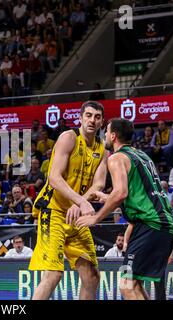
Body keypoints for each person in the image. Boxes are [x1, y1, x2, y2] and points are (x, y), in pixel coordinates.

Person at [76, 118, 173, 300]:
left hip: (150, 225)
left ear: (113, 136)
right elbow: (139, 196)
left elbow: (121, 193)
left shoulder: (116, 158)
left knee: (126, 285)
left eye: (106, 131)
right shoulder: (142, 156)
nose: (104, 134)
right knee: (134, 284)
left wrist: (95, 218)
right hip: (164, 224)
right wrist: (106, 198)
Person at [29, 101, 108, 300]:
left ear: (101, 122)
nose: (92, 120)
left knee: (91, 276)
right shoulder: (69, 137)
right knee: (54, 274)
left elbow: (98, 184)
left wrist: (78, 202)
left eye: (97, 117)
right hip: (53, 210)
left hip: (75, 215)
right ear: (80, 118)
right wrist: (81, 202)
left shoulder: (103, 150)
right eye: (88, 115)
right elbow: (54, 177)